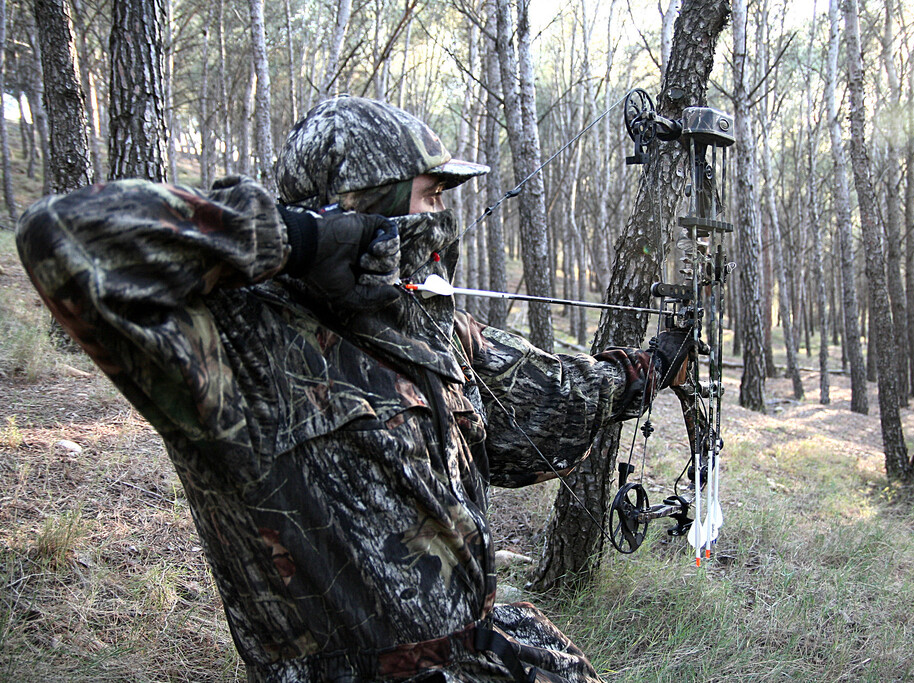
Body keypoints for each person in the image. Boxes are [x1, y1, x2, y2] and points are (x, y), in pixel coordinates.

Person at [17, 95, 689, 683]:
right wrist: (293, 239)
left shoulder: (430, 328)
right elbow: (61, 235)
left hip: (488, 654)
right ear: (363, 211)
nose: (438, 223)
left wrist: (653, 366)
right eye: (428, 197)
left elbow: (552, 392)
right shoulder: (238, 338)